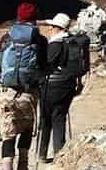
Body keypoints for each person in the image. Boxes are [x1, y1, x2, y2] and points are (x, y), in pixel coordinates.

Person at [0, 2, 48, 170]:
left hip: (8, 92)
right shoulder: (40, 40)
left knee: (8, 131)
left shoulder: (7, 37)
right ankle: (23, 164)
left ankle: (6, 165)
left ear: (18, 17)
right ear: (35, 18)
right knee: (26, 129)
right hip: (29, 93)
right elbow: (44, 66)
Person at [37, 13, 84, 162]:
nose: (49, 29)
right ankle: (59, 154)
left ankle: (42, 154)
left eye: (52, 26)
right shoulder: (73, 42)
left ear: (58, 27)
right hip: (68, 85)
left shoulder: (55, 45)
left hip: (51, 86)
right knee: (59, 118)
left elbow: (46, 65)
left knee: (45, 119)